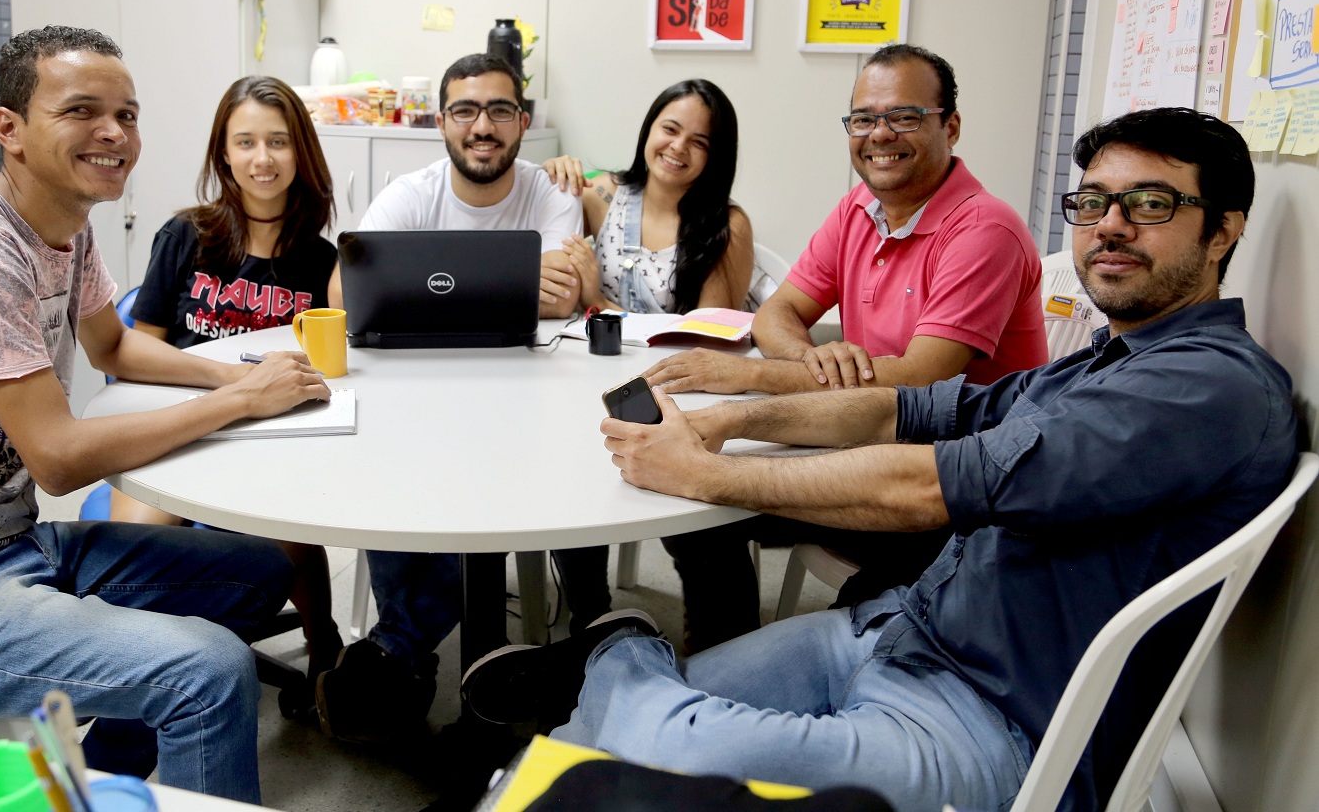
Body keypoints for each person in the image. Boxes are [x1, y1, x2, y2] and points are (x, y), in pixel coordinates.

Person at [461, 107, 1298, 812]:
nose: (1110, 225)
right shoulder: (1104, 360)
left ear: (1224, 229)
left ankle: (616, 648)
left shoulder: (1206, 388)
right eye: (1093, 203)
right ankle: (606, 671)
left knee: (643, 730)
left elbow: (927, 487)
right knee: (596, 729)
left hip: (990, 721)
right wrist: (735, 419)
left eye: (1148, 203)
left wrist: (706, 473)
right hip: (895, 632)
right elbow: (910, 408)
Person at [0, 27, 331, 804]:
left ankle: (101, 781)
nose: (113, 134)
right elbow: (57, 456)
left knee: (259, 572)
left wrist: (241, 373)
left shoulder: (64, 226)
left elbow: (116, 349)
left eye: (127, 115)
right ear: (10, 129)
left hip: (2, 547)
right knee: (210, 668)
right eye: (82, 111)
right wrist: (235, 402)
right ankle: (135, 749)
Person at [651, 44, 1049, 650]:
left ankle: (728, 671)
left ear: (951, 126)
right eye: (863, 119)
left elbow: (920, 381)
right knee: (688, 495)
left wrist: (751, 378)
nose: (879, 134)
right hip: (864, 431)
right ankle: (717, 653)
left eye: (904, 117)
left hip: (947, 485)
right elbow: (778, 315)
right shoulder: (859, 207)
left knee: (708, 489)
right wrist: (809, 358)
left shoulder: (984, 230)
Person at [315, 52, 593, 744]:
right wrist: (515, 286)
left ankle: (401, 649)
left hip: (528, 402)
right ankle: (417, 648)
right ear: (442, 122)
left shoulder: (550, 195)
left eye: (500, 110)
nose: (482, 126)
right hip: (424, 401)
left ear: (523, 123)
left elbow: (564, 297)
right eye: (466, 110)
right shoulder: (412, 193)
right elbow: (342, 295)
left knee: (528, 468)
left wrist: (429, 290)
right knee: (390, 466)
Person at [111, 74, 344, 679]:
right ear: (224, 153)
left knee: (292, 524)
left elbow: (338, 362)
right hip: (182, 427)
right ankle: (152, 671)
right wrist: (230, 386)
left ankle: (325, 652)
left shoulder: (322, 261)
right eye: (245, 142)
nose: (262, 159)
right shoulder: (185, 236)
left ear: (302, 152)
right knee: (134, 557)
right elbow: (138, 351)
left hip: (273, 438)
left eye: (278, 142)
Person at [542, 78, 753, 315]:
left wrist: (599, 303)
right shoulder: (602, 195)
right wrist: (545, 179)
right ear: (649, 128)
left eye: (699, 142)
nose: (678, 146)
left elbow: (709, 339)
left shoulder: (728, 226)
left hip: (679, 353)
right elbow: (525, 245)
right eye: (670, 129)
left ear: (715, 157)